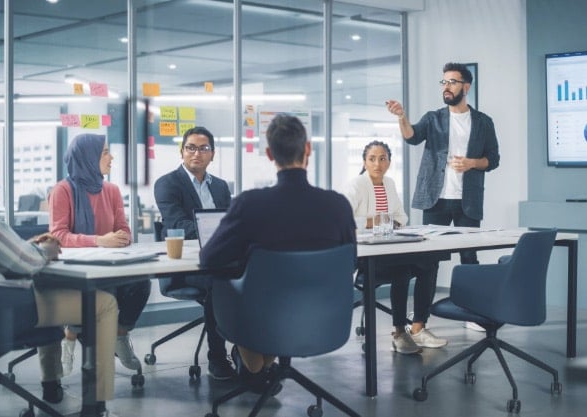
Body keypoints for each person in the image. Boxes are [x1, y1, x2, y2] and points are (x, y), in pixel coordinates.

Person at [0, 115, 119, 414]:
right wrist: (44, 251)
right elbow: (25, 263)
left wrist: (24, 248)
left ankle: (52, 387)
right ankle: (97, 407)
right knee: (103, 304)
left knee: (49, 284)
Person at [199, 114, 356, 391]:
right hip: (324, 320)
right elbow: (350, 262)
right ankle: (262, 365)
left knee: (228, 285)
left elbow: (209, 260)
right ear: (307, 149)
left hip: (262, 320)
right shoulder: (338, 206)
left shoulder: (251, 204)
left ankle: (254, 364)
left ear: (270, 154)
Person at [48, 133, 151, 376]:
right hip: (75, 270)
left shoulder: (112, 190)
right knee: (91, 291)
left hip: (110, 265)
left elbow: (123, 228)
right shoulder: (62, 191)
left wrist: (123, 237)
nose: (111, 157)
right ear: (87, 157)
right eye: (105, 152)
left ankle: (120, 335)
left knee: (141, 283)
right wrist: (99, 241)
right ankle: (70, 337)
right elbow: (58, 236)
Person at [385, 62, 501, 265]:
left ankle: (470, 298)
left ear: (466, 87)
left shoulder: (483, 122)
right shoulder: (433, 118)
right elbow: (412, 137)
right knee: (428, 260)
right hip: (435, 199)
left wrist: (472, 163)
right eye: (444, 82)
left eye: (452, 82)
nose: (446, 87)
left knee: (468, 256)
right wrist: (402, 117)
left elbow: (493, 159)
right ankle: (424, 299)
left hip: (468, 202)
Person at [343, 141, 446, 354]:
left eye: (382, 159)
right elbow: (343, 219)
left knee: (429, 263)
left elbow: (402, 217)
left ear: (389, 162)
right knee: (403, 270)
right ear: (364, 161)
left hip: (391, 247)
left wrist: (385, 221)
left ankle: (418, 327)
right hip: (366, 257)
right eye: (372, 159)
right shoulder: (356, 185)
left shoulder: (389, 184)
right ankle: (400, 333)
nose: (377, 164)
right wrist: (375, 221)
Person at [153, 126, 235, 380]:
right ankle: (218, 358)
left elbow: (231, 222)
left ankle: (251, 352)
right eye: (190, 148)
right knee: (219, 282)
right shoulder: (167, 184)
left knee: (255, 274)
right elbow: (179, 225)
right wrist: (221, 233)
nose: (196, 153)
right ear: (182, 152)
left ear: (213, 154)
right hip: (186, 267)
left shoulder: (220, 186)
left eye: (203, 148)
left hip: (220, 258)